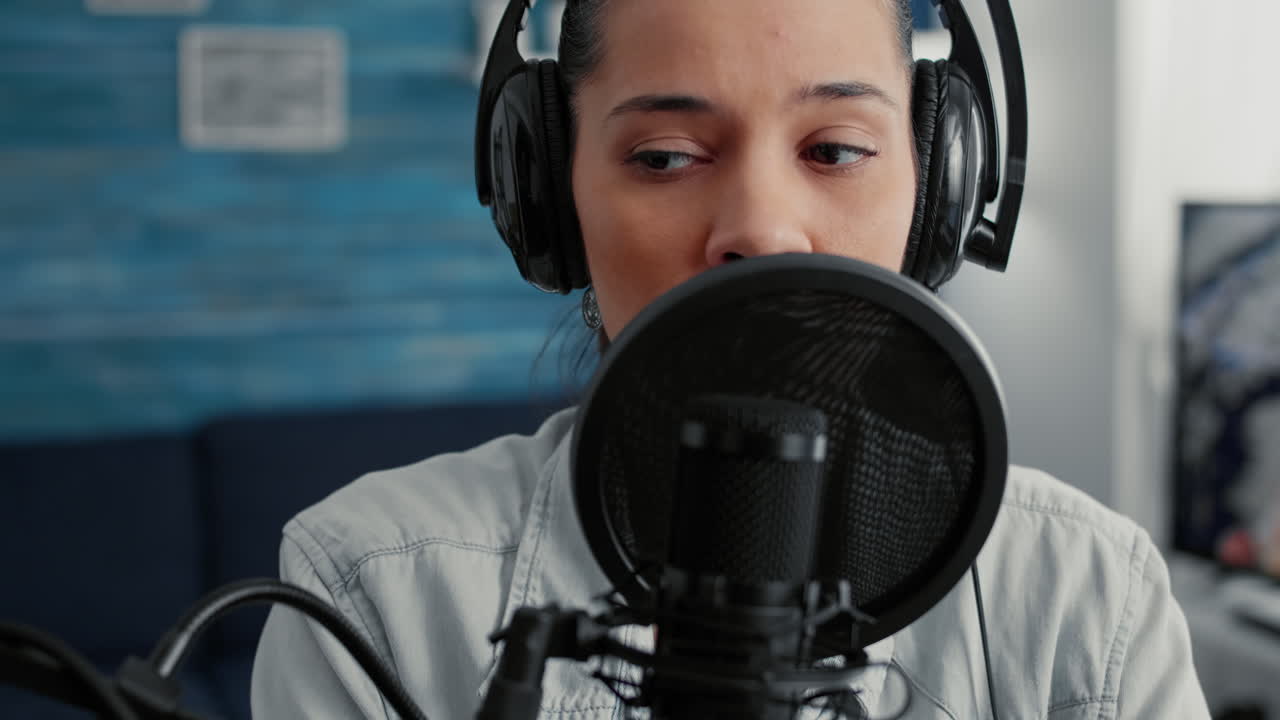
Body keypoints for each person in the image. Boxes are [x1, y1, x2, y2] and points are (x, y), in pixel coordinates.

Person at [250, 0, 1213, 717]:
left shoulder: (1090, 599)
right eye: (665, 156)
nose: (759, 231)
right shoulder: (373, 590)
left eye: (835, 149)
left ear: (942, 187)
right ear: (545, 194)